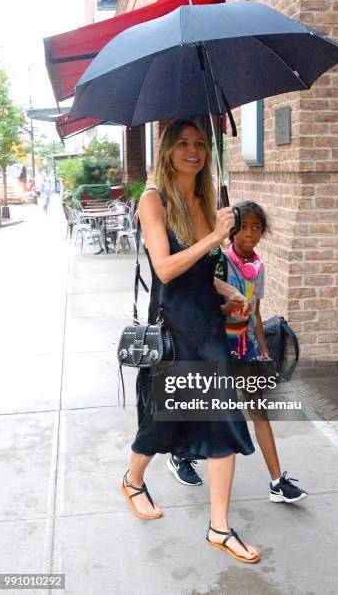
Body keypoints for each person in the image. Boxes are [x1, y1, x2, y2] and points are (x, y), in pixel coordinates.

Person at [122, 119, 260, 563]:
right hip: (176, 332)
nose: (194, 150)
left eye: (201, 143)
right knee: (164, 424)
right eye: (183, 143)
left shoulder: (203, 200)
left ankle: (219, 527)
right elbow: (165, 270)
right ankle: (132, 480)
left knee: (224, 422)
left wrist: (229, 291)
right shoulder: (153, 199)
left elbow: (201, 272)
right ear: (167, 150)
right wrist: (217, 238)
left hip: (208, 329)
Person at [218, 200, 308, 503]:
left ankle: (276, 482)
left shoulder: (258, 268)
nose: (250, 234)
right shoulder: (219, 263)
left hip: (246, 350)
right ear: (232, 229)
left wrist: (264, 351)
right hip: (217, 348)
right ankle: (182, 456)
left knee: (258, 411)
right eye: (243, 227)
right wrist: (227, 308)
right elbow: (204, 309)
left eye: (256, 228)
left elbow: (256, 311)